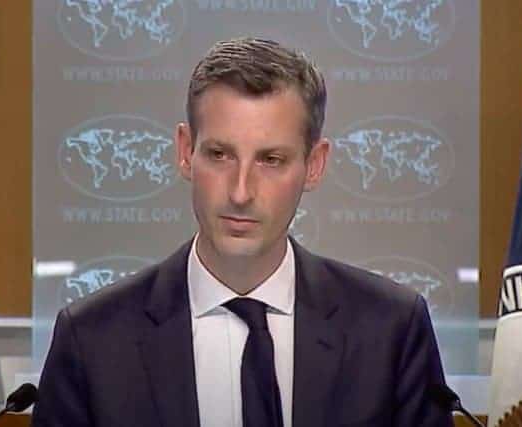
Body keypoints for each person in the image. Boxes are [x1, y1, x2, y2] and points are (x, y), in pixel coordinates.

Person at [32, 37, 452, 427]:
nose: (240, 192)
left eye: (271, 160)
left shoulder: (391, 330)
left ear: (315, 165)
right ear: (185, 152)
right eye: (219, 154)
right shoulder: (92, 340)